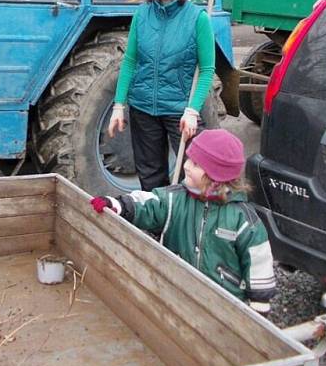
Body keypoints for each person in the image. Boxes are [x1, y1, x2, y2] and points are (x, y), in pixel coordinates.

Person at [90, 129, 276, 313]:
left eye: (195, 164)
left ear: (215, 178)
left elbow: (258, 260)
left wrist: (258, 309)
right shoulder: (175, 199)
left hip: (223, 306)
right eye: (188, 159)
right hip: (176, 294)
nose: (186, 166)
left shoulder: (243, 220)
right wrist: (117, 204)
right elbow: (148, 204)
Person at [108, 0, 215, 191]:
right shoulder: (142, 14)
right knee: (150, 177)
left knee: (196, 175)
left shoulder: (197, 18)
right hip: (143, 109)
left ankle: (190, 223)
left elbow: (207, 70)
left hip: (180, 111)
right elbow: (130, 61)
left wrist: (192, 110)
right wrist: (118, 105)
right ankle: (156, 226)